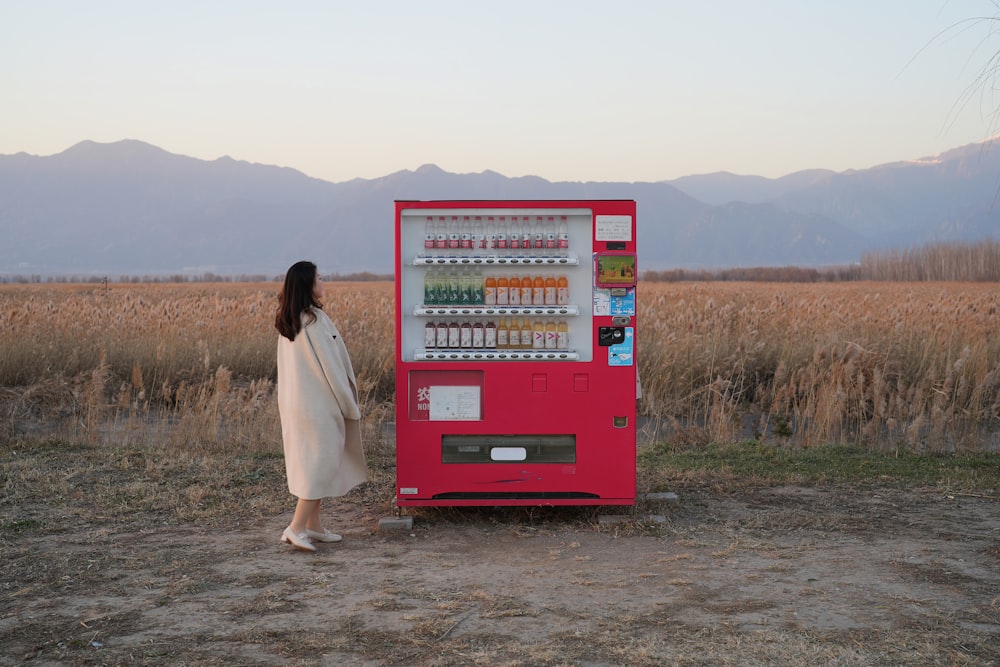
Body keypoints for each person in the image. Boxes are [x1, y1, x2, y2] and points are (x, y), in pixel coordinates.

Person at [274, 261, 367, 552]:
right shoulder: (314, 320)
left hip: (297, 405)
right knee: (320, 467)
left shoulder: (289, 320)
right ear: (307, 285)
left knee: (312, 463)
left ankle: (313, 526)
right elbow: (333, 369)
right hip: (319, 407)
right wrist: (348, 404)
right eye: (319, 277)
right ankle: (296, 527)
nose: (323, 281)